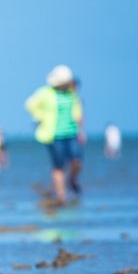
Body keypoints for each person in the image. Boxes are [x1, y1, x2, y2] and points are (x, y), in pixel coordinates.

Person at [25, 65, 85, 204]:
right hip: (53, 134)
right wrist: (40, 117)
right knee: (59, 165)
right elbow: (30, 105)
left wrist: (81, 131)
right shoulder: (45, 92)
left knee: (77, 161)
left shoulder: (72, 94)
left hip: (71, 133)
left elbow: (78, 113)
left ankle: (72, 181)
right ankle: (61, 195)